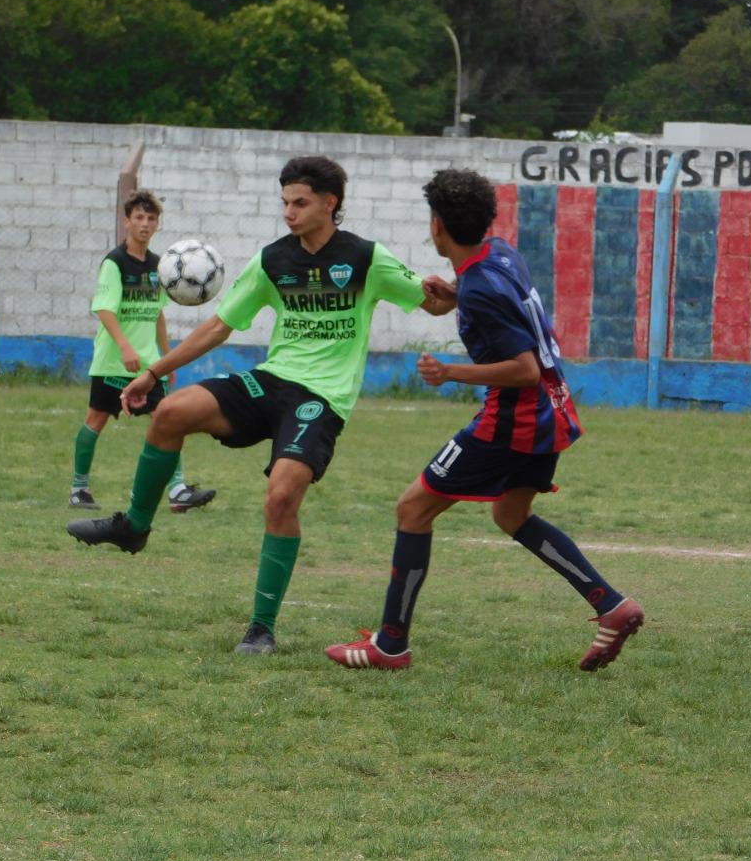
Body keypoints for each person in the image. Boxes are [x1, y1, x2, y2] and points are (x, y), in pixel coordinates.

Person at [67, 155, 456, 653]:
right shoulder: (273, 259)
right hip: (271, 381)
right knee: (170, 412)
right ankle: (135, 526)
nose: (289, 212)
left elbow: (434, 303)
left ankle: (261, 629)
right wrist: (152, 372)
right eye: (285, 202)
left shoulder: (364, 258)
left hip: (321, 397)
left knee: (280, 497)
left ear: (329, 203)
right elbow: (218, 326)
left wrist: (455, 289)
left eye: (300, 203)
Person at [324, 168, 643, 672]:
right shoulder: (498, 253)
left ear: (437, 226)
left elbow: (523, 370)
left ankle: (390, 645)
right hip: (552, 413)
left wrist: (450, 371)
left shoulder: (480, 289)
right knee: (510, 515)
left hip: (514, 418)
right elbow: (505, 302)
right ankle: (612, 605)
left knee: (413, 509)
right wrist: (454, 291)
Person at [69, 190, 215, 513]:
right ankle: (79, 488)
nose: (145, 224)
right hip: (113, 362)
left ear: (157, 224)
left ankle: (177, 490)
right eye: (139, 217)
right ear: (127, 221)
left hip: (149, 365)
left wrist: (167, 357)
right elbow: (104, 309)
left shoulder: (160, 266)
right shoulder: (114, 262)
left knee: (169, 419)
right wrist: (124, 346)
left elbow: (158, 314)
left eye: (151, 218)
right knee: (96, 420)